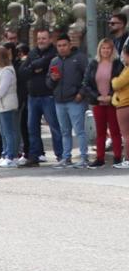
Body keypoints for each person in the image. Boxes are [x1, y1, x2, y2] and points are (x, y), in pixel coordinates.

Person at [48, 32, 91, 168]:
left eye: (64, 45)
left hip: (75, 100)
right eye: (59, 46)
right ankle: (66, 157)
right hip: (59, 101)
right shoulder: (55, 61)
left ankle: (84, 157)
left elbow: (88, 77)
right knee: (64, 131)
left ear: (70, 45)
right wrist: (52, 80)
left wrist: (81, 93)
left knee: (79, 130)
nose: (62, 48)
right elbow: (48, 82)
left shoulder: (79, 58)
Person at [23, 29, 61, 166]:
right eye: (39, 38)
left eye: (44, 38)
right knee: (32, 127)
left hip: (48, 96)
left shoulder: (53, 53)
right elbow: (23, 71)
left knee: (54, 127)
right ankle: (35, 155)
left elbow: (47, 64)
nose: (41, 41)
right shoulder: (32, 53)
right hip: (32, 96)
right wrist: (35, 68)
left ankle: (60, 155)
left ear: (50, 39)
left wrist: (33, 66)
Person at [84, 37, 123, 167]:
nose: (105, 50)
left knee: (115, 131)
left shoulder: (118, 64)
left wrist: (110, 96)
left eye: (108, 48)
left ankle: (118, 158)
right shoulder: (93, 64)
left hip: (113, 102)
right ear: (99, 49)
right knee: (100, 132)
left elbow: (121, 82)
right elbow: (86, 83)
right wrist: (98, 97)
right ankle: (99, 158)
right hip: (98, 103)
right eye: (103, 48)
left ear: (112, 50)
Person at [0, 45, 20, 168]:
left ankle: (11, 156)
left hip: (7, 104)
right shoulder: (0, 70)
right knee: (3, 131)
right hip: (0, 104)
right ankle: (4, 154)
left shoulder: (8, 71)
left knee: (9, 131)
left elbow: (2, 89)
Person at [113, 46, 129, 169]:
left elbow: (117, 83)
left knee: (126, 135)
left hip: (125, 105)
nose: (122, 57)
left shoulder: (127, 70)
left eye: (123, 54)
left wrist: (114, 80)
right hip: (123, 103)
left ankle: (128, 159)